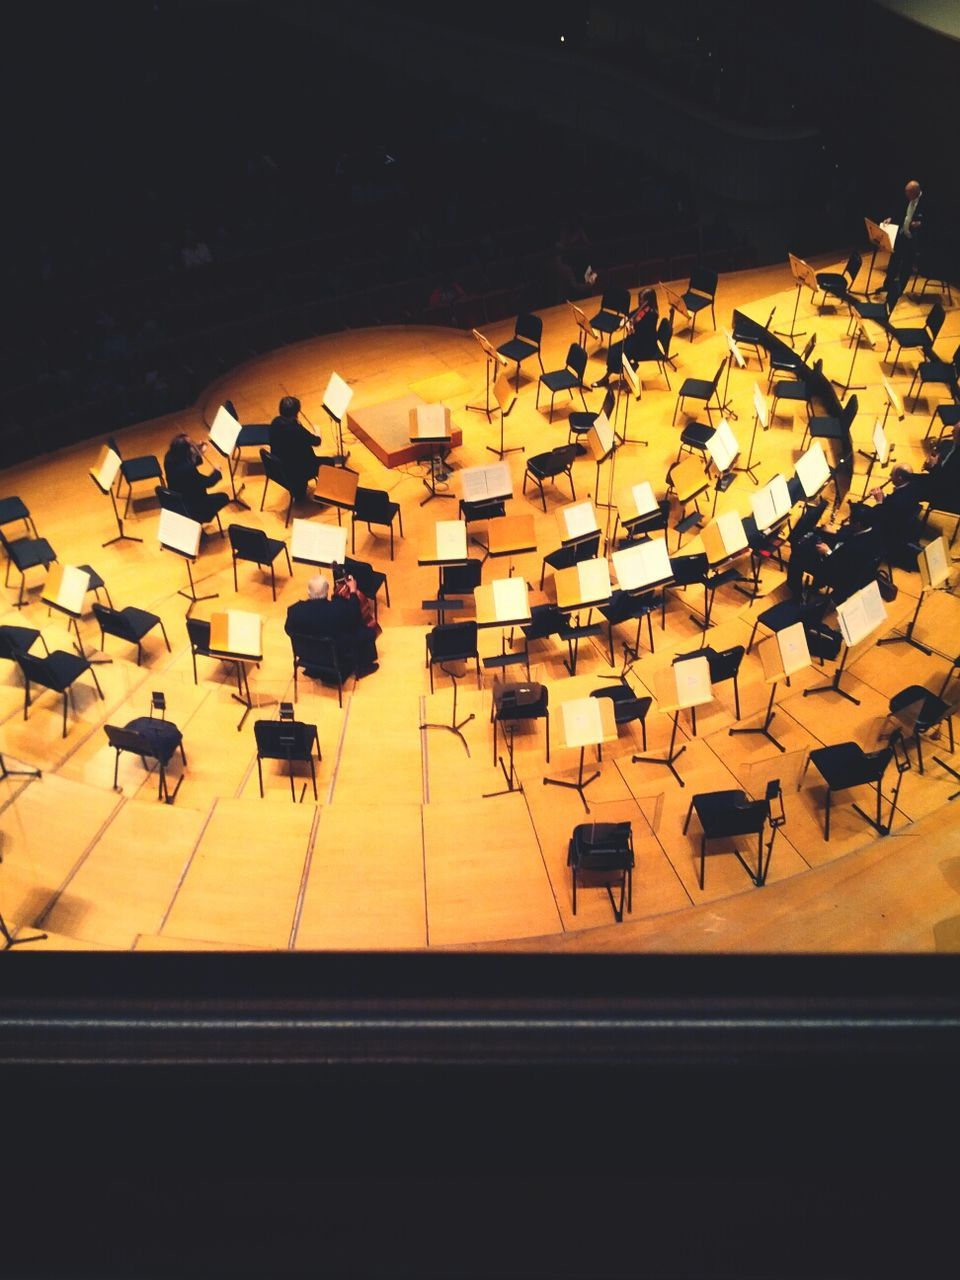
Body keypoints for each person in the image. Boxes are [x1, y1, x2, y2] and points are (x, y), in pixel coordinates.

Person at [284, 575, 376, 677]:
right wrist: (353, 591)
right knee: (366, 631)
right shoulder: (338, 609)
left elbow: (289, 630)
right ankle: (363, 667)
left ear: (308, 591)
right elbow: (355, 616)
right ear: (327, 590)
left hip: (308, 655)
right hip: (334, 657)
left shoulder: (294, 610)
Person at [162, 432, 229, 524]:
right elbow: (208, 482)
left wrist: (199, 452)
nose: (194, 445)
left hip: (178, 501)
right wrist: (216, 472)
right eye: (191, 445)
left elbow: (185, 461)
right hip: (193, 504)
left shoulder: (169, 457)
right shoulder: (187, 470)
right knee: (224, 497)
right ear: (185, 451)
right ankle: (198, 521)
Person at [268, 395, 323, 501]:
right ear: (296, 413)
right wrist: (318, 433)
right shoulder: (296, 430)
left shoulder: (275, 422)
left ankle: (299, 491)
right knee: (329, 463)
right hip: (297, 469)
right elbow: (316, 442)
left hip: (279, 469)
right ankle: (326, 495)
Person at [882, 179, 924, 295]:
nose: (906, 194)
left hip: (913, 239)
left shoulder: (926, 202)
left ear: (915, 192)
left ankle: (898, 291)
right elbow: (900, 213)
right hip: (902, 235)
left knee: (906, 265)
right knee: (894, 261)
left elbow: (934, 221)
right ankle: (887, 285)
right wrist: (891, 219)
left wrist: (920, 224)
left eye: (908, 192)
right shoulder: (907, 199)